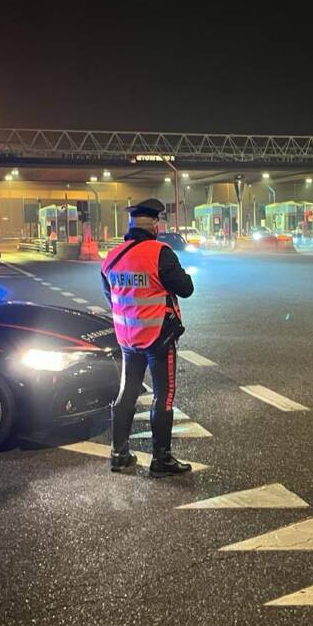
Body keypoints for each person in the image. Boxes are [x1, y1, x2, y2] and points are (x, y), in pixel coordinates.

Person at [102, 198, 195, 476]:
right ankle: (161, 460)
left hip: (127, 338)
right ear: (155, 225)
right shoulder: (160, 253)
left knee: (128, 392)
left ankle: (119, 454)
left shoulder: (112, 257)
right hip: (158, 338)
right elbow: (186, 288)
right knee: (163, 396)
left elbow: (110, 295)